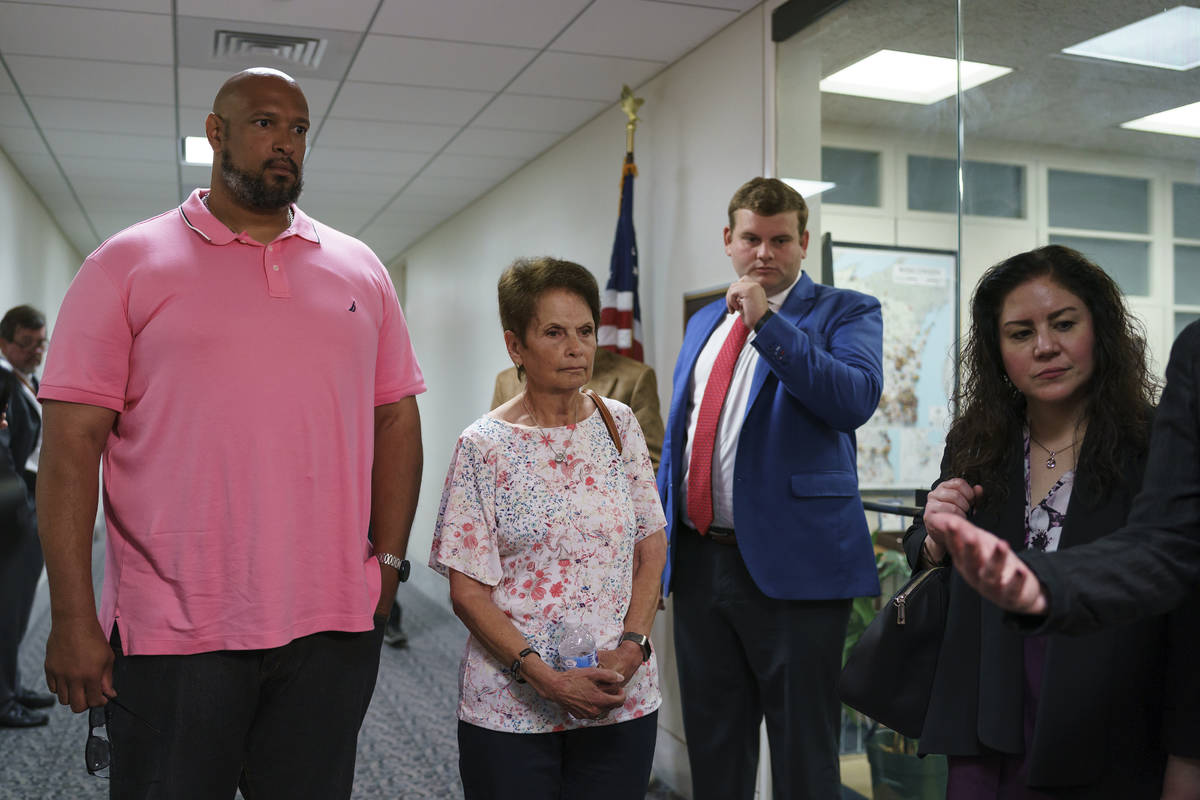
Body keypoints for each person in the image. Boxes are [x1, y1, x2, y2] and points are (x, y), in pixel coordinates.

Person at [36, 67, 425, 798]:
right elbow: (70, 447)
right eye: (265, 123)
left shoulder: (360, 269)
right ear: (216, 133)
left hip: (333, 624)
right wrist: (70, 617)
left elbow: (396, 415)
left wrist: (391, 567)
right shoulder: (125, 264)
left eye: (299, 128)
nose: (286, 142)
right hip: (175, 630)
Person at [907, 245, 1199, 797]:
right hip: (985, 702)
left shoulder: (1156, 443)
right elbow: (930, 547)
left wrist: (1187, 756)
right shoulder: (977, 438)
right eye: (1020, 333)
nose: (1045, 347)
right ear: (997, 352)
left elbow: (1184, 611)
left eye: (1064, 324)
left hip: (1107, 714)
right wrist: (933, 538)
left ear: (1101, 330)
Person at [657, 177, 884, 799]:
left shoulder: (847, 311)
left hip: (798, 573)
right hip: (703, 564)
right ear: (728, 240)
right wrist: (656, 554)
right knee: (715, 745)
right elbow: (678, 443)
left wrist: (768, 323)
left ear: (803, 242)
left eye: (780, 239)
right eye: (751, 238)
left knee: (803, 755)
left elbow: (852, 400)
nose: (765, 252)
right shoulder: (705, 320)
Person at [430, 257, 667, 799]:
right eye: (554, 333)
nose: (576, 347)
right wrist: (546, 678)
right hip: (512, 704)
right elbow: (467, 592)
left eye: (584, 331)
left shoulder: (618, 424)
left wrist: (632, 648)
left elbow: (651, 550)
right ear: (516, 347)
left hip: (617, 692)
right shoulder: (482, 447)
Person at [0, 305, 55, 728]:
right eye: (28, 344)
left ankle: (12, 688)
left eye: (41, 343)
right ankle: (3, 702)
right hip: (12, 515)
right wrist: (25, 510)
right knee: (8, 609)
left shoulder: (27, 380)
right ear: (5, 341)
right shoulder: (2, 383)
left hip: (30, 508)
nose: (37, 351)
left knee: (17, 610)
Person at [492, 346, 665, 470]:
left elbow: (650, 465)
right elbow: (494, 462)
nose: (574, 344)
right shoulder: (506, 382)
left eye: (584, 330)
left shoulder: (633, 379)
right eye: (553, 332)